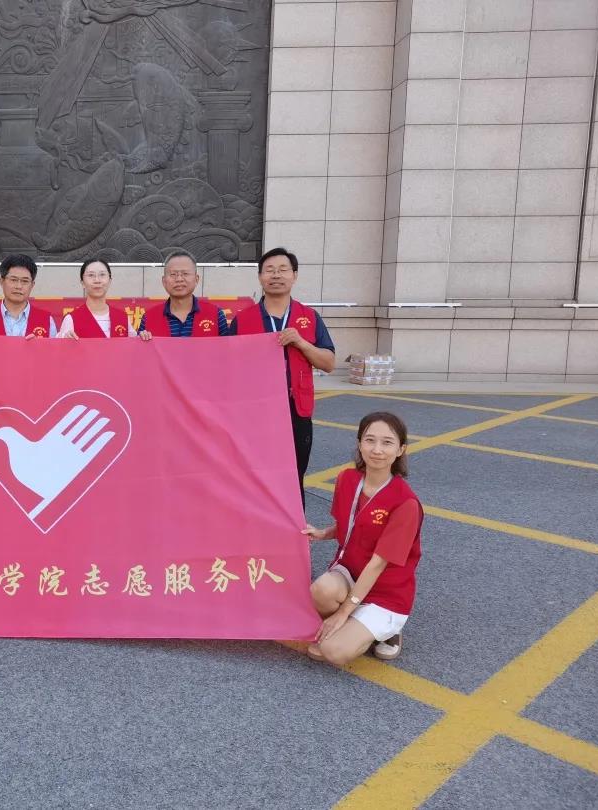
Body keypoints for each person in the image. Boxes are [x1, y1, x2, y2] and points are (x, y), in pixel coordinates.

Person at [303, 412, 422, 664]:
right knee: (320, 591)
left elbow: (378, 564)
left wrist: (344, 612)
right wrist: (323, 533)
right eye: (370, 440)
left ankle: (387, 631)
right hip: (350, 572)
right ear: (359, 444)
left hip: (386, 591)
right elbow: (350, 524)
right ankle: (358, 623)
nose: (377, 450)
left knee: (332, 651)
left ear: (401, 449)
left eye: (387, 442)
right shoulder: (347, 479)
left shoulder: (406, 503)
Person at [231, 248, 335, 507]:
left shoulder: (309, 317)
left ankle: (293, 529)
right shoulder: (242, 320)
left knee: (294, 476)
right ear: (260, 277)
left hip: (295, 409)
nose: (276, 275)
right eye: (269, 270)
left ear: (294, 275)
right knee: (253, 476)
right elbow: (225, 367)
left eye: (282, 270)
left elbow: (329, 363)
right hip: (255, 412)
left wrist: (301, 343)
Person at [137, 250, 230, 338]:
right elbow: (138, 349)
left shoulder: (216, 315)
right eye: (173, 274)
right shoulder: (149, 318)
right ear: (164, 281)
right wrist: (141, 340)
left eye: (185, 273)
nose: (179, 279)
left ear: (196, 279)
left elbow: (227, 348)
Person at [0, 254, 57, 338]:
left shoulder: (47, 320)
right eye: (13, 280)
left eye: (25, 281)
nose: (18, 286)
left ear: (32, 285)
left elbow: (54, 348)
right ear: (2, 281)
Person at [58, 258, 137, 339]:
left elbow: (135, 345)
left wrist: (143, 337)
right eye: (91, 275)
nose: (97, 280)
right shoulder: (71, 319)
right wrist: (65, 340)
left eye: (102, 275)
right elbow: (58, 346)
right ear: (82, 283)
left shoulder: (122, 317)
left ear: (109, 281)